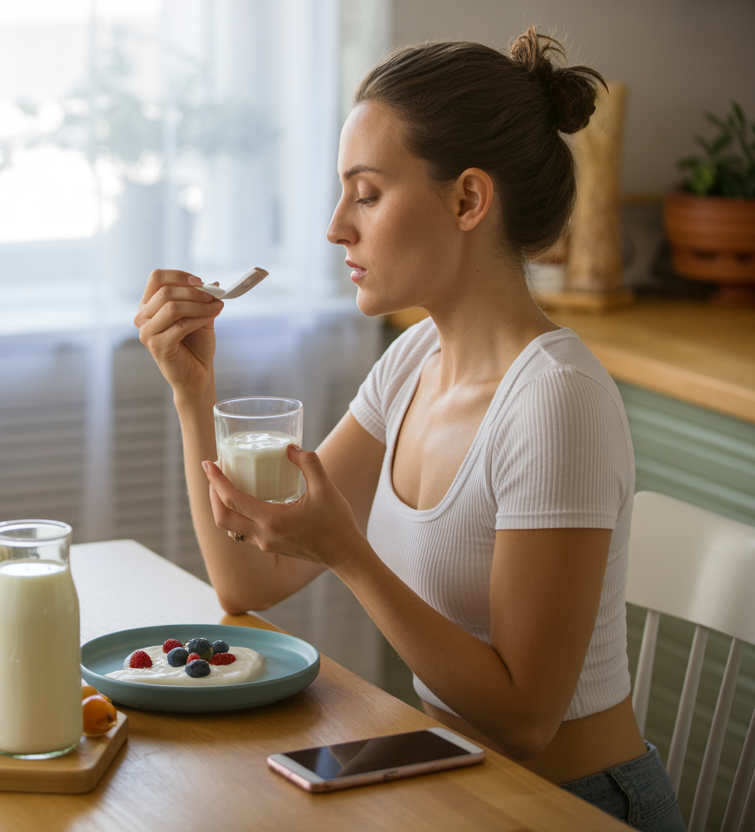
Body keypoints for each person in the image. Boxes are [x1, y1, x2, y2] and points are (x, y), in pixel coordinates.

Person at [132, 26, 685, 832]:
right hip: (455, 783)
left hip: (575, 806)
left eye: (366, 192)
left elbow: (527, 721)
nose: (334, 227)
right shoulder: (414, 359)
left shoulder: (556, 401)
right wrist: (193, 392)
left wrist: (348, 553)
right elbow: (251, 583)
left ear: (467, 199)